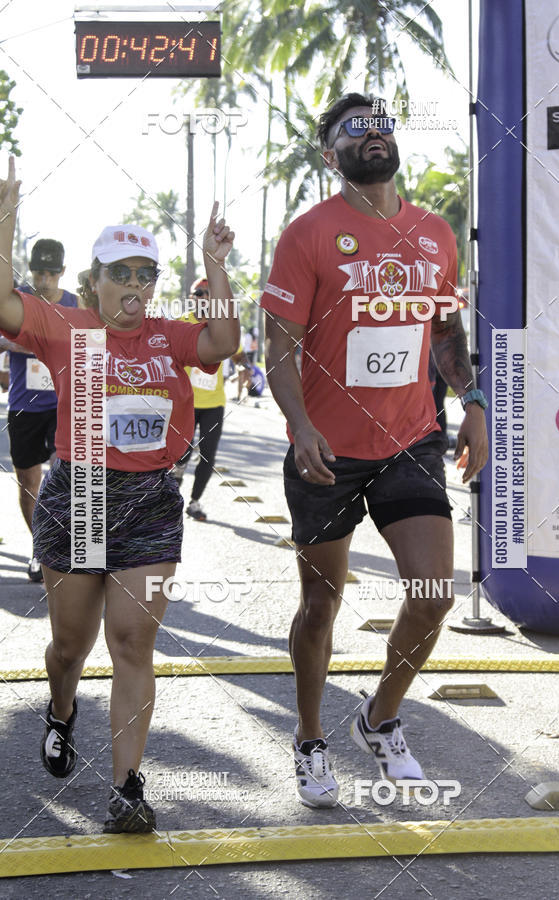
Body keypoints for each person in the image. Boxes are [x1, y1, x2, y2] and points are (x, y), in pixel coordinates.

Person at [262, 94, 488, 808]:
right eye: (353, 128)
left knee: (431, 595)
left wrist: (474, 403)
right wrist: (300, 426)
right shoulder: (308, 236)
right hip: (327, 449)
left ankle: (380, 717)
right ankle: (308, 737)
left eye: (381, 123)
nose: (373, 133)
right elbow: (279, 351)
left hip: (409, 440)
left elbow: (446, 333)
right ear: (330, 155)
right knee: (320, 604)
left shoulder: (434, 233)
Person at [0, 157, 239, 832]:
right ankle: (61, 708)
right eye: (120, 274)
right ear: (94, 281)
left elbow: (223, 340)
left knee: (133, 642)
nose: (134, 286)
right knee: (69, 647)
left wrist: (214, 263)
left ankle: (127, 787)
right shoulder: (68, 329)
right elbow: (3, 302)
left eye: (145, 275)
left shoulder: (168, 336)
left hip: (151, 502)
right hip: (82, 497)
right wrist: (5, 213)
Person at [0, 240, 78, 581]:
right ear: (30, 270)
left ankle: (62, 549)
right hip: (24, 406)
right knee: (28, 482)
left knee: (62, 480)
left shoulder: (76, 304)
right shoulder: (15, 300)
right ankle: (40, 549)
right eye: (38, 272)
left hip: (64, 404)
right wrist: (23, 342)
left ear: (62, 272)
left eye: (51, 272)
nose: (44, 279)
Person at [172, 277, 227, 522]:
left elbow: (235, 353)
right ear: (192, 297)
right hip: (186, 402)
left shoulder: (222, 325)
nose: (204, 297)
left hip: (214, 403)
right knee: (180, 454)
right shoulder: (181, 323)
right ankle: (172, 495)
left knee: (208, 456)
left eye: (209, 293)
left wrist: (246, 366)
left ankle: (194, 503)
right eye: (199, 292)